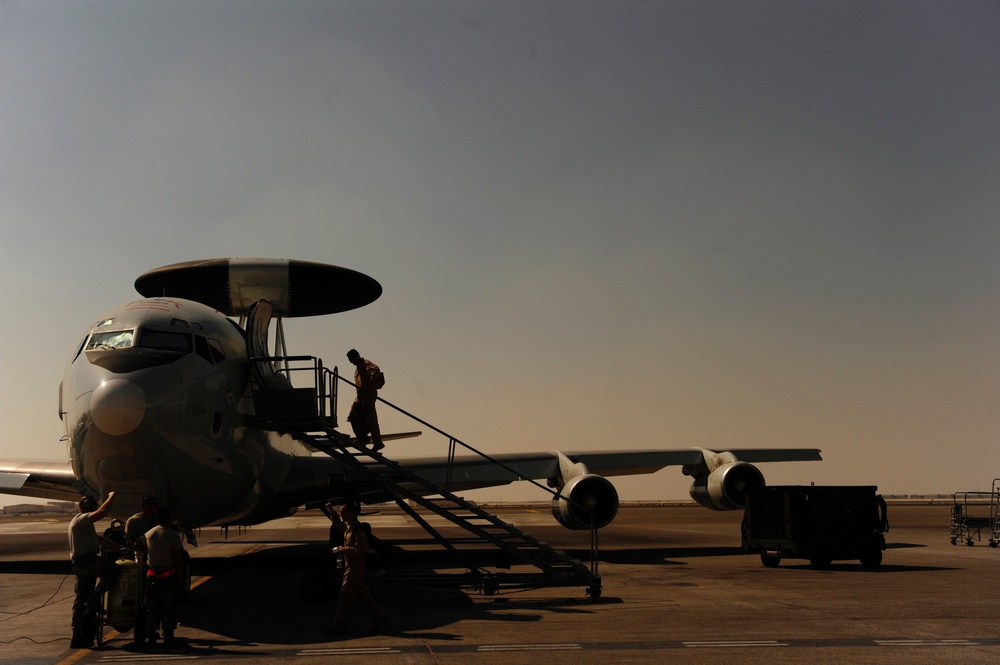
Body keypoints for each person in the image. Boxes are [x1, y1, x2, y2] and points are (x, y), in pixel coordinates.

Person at [325, 502, 388, 635]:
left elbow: (362, 550)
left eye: (343, 512)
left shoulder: (358, 530)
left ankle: (339, 625)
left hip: (355, 568)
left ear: (352, 514)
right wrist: (331, 510)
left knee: (344, 596)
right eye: (341, 513)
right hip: (352, 566)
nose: (341, 515)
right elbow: (337, 524)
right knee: (364, 595)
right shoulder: (348, 528)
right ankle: (380, 618)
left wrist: (343, 550)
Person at [68, 492, 121, 649]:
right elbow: (102, 513)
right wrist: (111, 497)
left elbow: (99, 540)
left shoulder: (82, 524)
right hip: (87, 561)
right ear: (86, 507)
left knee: (80, 601)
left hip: (80, 564)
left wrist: (120, 547)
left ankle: (77, 637)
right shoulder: (82, 519)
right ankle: (95, 598)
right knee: (114, 570)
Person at [135, 506, 185, 649]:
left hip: (151, 575)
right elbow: (178, 558)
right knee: (169, 607)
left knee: (152, 607)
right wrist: (181, 578)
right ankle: (168, 637)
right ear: (169, 519)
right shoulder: (173, 536)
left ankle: (151, 637)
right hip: (168, 576)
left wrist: (149, 553)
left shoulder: (149, 533)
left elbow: (137, 544)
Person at [345, 349, 384, 452]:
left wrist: (371, 379)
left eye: (350, 359)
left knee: (371, 419)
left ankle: (378, 443)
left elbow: (375, 369)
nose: (350, 362)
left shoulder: (366, 363)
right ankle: (363, 439)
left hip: (368, 395)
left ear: (356, 357)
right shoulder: (357, 369)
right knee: (353, 415)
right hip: (360, 396)